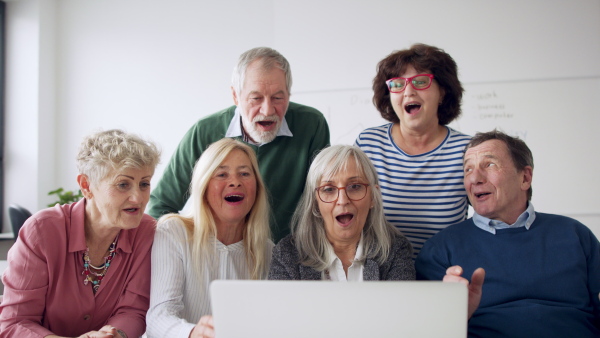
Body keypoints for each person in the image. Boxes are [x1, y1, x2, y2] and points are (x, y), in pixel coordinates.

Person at [416, 130, 600, 337]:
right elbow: (425, 329)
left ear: (525, 177)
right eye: (468, 169)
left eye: (489, 165)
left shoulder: (575, 234)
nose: (475, 178)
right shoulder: (441, 249)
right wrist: (454, 313)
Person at [148, 47, 330, 242]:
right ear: (236, 96)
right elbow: (161, 206)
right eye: (256, 98)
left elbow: (324, 201)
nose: (268, 110)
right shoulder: (204, 132)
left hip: (289, 257)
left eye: (278, 98)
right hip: (219, 257)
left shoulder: (311, 125)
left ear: (289, 94)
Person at [0, 129, 161, 338]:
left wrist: (115, 335)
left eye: (144, 184)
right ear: (86, 186)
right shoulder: (41, 231)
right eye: (123, 185)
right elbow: (16, 322)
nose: (138, 198)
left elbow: (134, 309)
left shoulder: (147, 232)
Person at [146, 138, 273, 338]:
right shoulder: (173, 232)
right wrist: (191, 333)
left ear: (256, 188)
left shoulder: (268, 251)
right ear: (204, 186)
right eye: (221, 174)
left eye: (245, 174)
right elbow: (158, 318)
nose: (235, 182)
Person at [355, 43, 471, 257]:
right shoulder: (368, 144)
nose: (408, 91)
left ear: (443, 92)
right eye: (397, 84)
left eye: (420, 82)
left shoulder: (467, 151)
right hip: (381, 278)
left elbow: (491, 219)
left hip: (442, 277)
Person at [269, 145, 414, 281]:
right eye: (329, 189)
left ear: (373, 197)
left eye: (355, 186)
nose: (342, 200)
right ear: (315, 202)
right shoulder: (286, 254)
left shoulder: (396, 250)